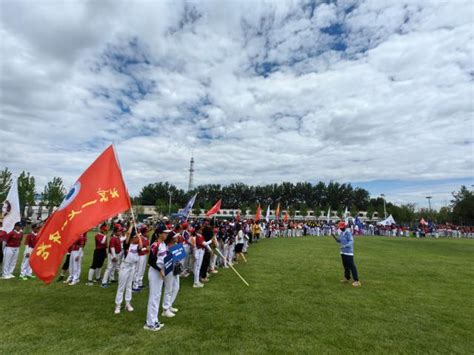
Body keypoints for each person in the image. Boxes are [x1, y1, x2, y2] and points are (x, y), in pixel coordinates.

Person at [114, 224, 143, 314]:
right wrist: (131, 224)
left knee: (129, 286)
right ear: (131, 238)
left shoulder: (137, 245)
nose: (138, 239)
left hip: (132, 267)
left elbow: (141, 247)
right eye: (136, 237)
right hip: (125, 267)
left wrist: (139, 236)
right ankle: (118, 305)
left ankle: (128, 303)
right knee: (121, 287)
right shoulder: (127, 244)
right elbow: (128, 233)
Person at [144, 228, 168, 331]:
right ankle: (149, 323)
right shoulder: (155, 245)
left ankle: (154, 319)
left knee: (157, 296)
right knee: (153, 297)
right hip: (155, 272)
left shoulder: (163, 244)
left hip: (160, 272)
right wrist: (160, 270)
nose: (166, 234)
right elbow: (151, 261)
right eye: (164, 233)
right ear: (159, 234)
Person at [332, 221, 361, 287]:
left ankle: (357, 281)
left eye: (342, 227)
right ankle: (347, 278)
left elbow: (351, 241)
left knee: (352, 266)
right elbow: (339, 241)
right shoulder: (342, 233)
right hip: (343, 252)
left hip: (349, 252)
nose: (341, 228)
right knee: (346, 266)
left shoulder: (348, 233)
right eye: (340, 227)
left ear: (344, 226)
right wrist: (334, 237)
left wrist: (345, 246)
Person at [162, 230, 181, 318]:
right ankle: (165, 309)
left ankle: (169, 305)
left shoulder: (175, 245)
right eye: (175, 237)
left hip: (175, 269)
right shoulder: (166, 247)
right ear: (171, 239)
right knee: (168, 289)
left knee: (176, 287)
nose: (177, 237)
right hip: (169, 269)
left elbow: (179, 256)